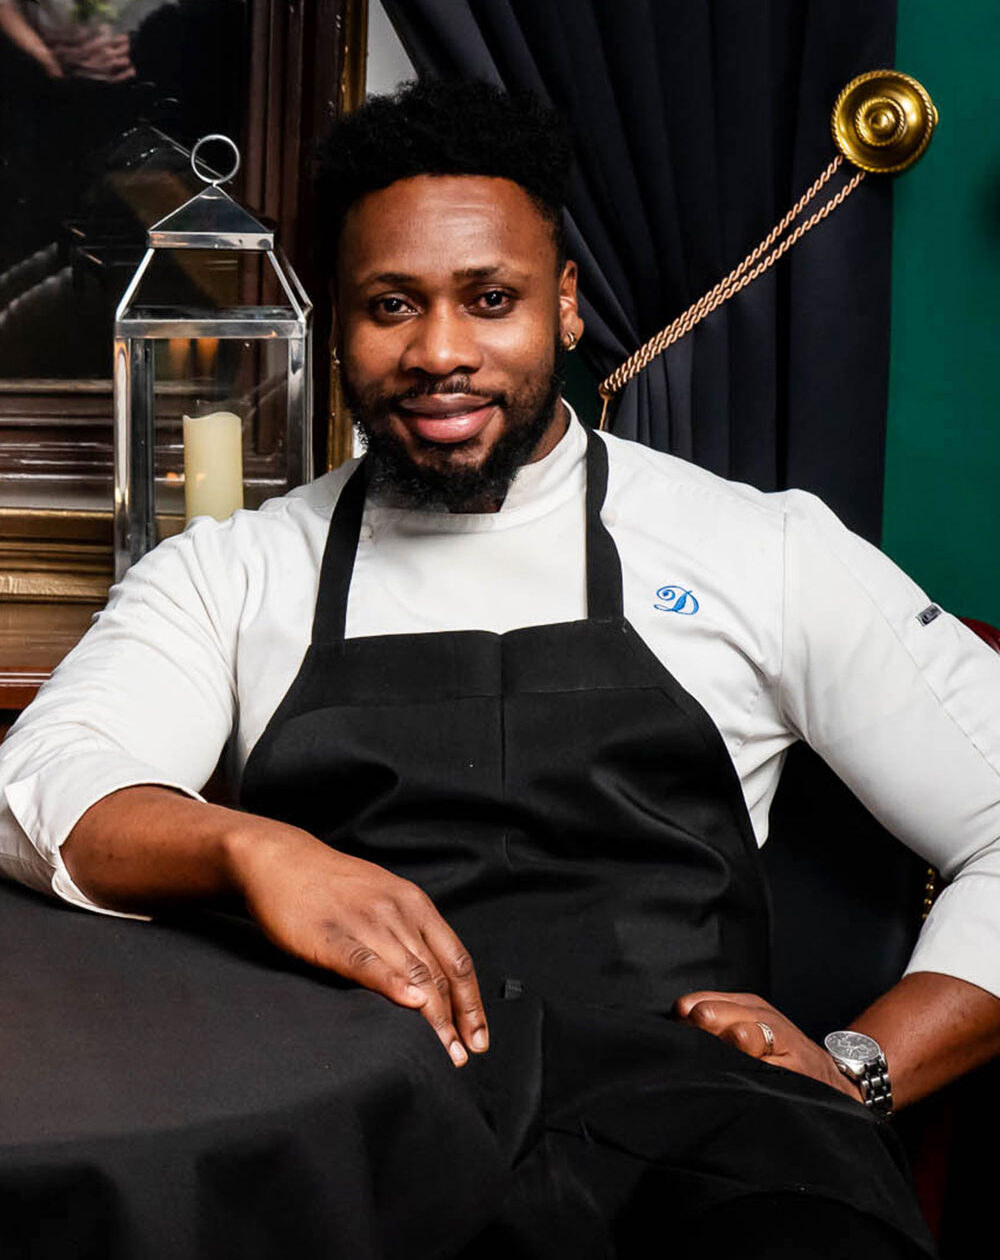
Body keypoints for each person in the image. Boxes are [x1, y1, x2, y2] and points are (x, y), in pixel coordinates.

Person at [1, 79, 999, 1258]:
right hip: (354, 1134)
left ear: (566, 307)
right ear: (336, 324)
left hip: (707, 1134)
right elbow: (41, 784)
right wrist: (250, 847)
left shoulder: (762, 550)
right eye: (390, 306)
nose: (440, 354)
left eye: (489, 300)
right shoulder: (232, 572)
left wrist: (863, 1068)